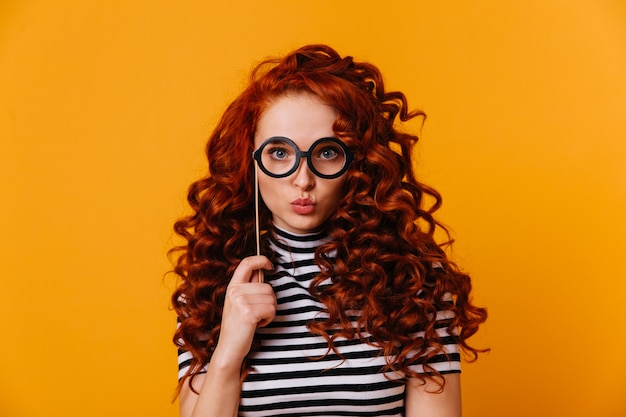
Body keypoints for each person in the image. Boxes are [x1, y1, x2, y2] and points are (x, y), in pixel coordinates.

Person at [170, 44, 488, 417]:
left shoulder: (414, 282)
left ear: (357, 161)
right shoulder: (212, 283)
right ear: (249, 160)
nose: (302, 180)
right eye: (279, 153)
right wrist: (228, 353)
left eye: (326, 153)